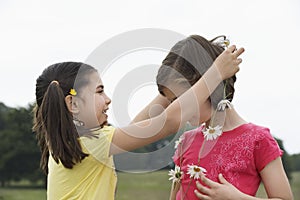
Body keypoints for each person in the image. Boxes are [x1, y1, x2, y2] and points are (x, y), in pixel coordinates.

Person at [33, 44, 243, 200]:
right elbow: (168, 122)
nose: (108, 99)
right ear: (73, 104)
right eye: (99, 91)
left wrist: (169, 89)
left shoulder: (77, 143)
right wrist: (215, 74)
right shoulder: (90, 141)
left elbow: (138, 126)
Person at [151, 35, 293, 200]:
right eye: (173, 102)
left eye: (184, 98)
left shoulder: (258, 140)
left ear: (212, 85)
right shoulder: (186, 141)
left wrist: (237, 198)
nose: (178, 109)